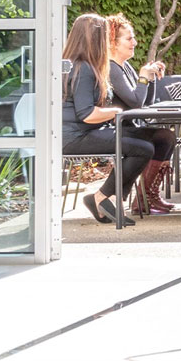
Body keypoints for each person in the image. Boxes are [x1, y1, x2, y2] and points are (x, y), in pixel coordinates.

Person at [61, 12, 155, 227]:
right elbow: (87, 114)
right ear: (95, 38)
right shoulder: (83, 68)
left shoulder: (76, 64)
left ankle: (107, 199)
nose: (107, 41)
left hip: (81, 132)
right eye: (104, 35)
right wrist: (116, 112)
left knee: (147, 140)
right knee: (143, 149)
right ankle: (102, 198)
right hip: (75, 137)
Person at [104, 14, 178, 215]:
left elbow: (145, 102)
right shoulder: (111, 68)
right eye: (129, 39)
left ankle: (146, 196)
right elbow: (135, 101)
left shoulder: (124, 66)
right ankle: (144, 197)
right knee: (164, 137)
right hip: (117, 129)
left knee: (167, 137)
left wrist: (150, 78)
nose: (134, 43)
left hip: (130, 126)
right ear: (113, 42)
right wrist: (143, 77)